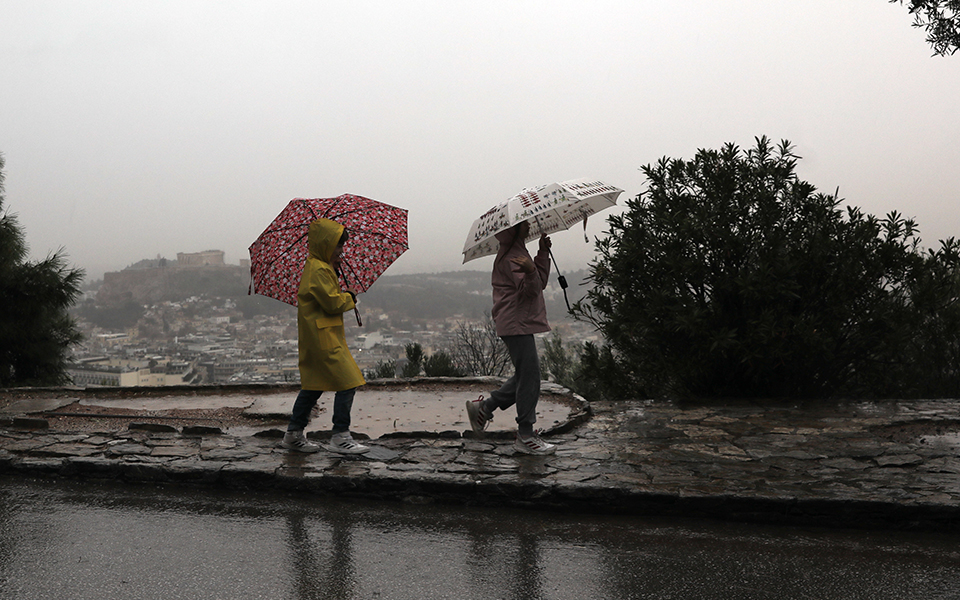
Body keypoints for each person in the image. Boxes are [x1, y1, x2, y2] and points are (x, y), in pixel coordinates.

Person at [465, 219, 556, 455]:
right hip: (517, 321)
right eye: (523, 224)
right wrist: (530, 270)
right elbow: (531, 290)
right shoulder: (512, 255)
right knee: (530, 376)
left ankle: (485, 407)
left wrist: (542, 255)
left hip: (518, 320)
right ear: (512, 230)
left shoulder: (517, 251)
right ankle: (525, 434)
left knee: (527, 373)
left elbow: (539, 282)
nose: (528, 226)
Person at [282, 218, 369, 454]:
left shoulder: (320, 267)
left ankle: (293, 433)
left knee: (313, 386)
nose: (341, 251)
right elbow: (331, 303)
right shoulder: (319, 269)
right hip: (323, 339)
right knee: (349, 381)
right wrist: (349, 297)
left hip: (318, 335)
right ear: (326, 245)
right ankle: (341, 436)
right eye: (338, 246)